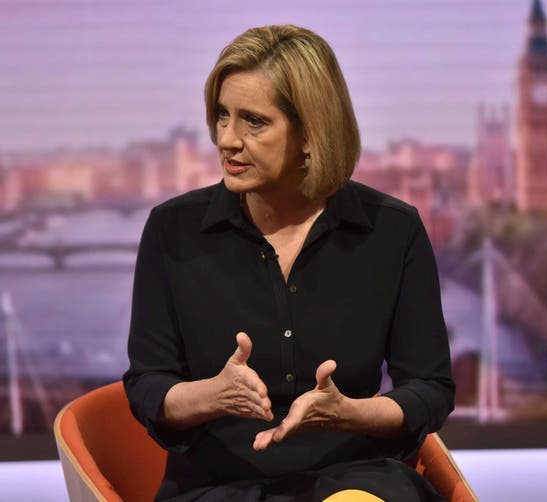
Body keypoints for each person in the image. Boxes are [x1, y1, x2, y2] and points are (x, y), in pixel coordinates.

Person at [124, 24, 455, 502]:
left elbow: (430, 388)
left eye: (253, 121)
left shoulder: (392, 231)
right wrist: (212, 395)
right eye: (221, 115)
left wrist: (349, 413)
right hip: (219, 486)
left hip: (355, 478)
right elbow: (147, 384)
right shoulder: (172, 231)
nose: (227, 139)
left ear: (310, 132)